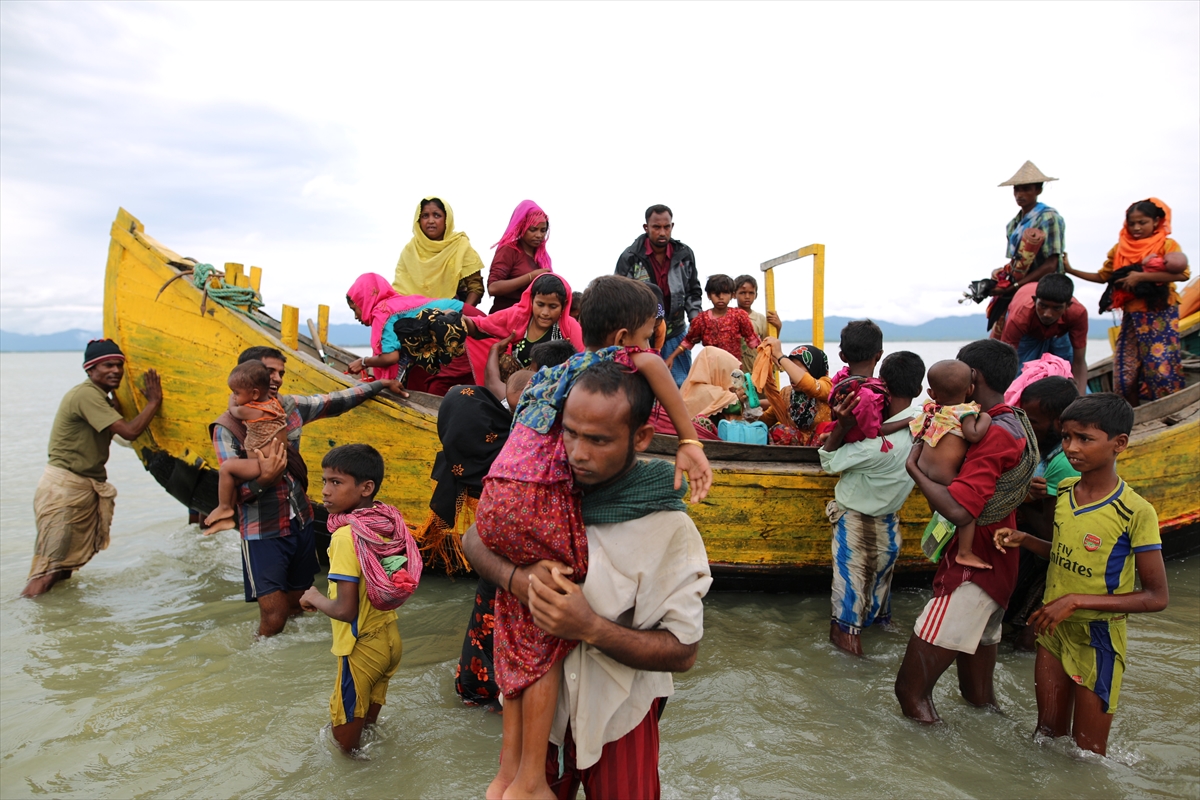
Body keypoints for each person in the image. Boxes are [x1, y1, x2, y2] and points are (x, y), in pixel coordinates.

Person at [473, 276, 710, 800]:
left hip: (619, 713)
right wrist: (517, 580)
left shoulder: (667, 525)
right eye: (570, 433)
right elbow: (475, 540)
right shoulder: (546, 501)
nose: (578, 453)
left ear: (641, 438)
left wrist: (589, 627)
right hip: (542, 725)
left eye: (599, 440)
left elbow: (684, 652)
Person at [994, 393, 1169, 757]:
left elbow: (1156, 597)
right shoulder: (1066, 491)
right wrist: (1025, 539)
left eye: (1085, 439)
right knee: (1045, 737)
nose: (1072, 448)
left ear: (1119, 443)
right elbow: (1064, 552)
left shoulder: (1135, 511)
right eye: (1066, 437)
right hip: (1053, 630)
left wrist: (1075, 601)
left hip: (1098, 638)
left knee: (1088, 754)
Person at [210, 346, 404, 637]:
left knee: (298, 606)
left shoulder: (288, 407)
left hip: (300, 521)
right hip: (262, 530)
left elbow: (336, 400)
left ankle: (290, 661)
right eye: (269, 371)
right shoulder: (228, 427)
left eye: (280, 373)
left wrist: (380, 384)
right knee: (274, 617)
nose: (276, 379)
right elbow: (233, 492)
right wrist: (266, 479)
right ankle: (258, 657)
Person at [894, 339, 1037, 723]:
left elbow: (961, 510)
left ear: (973, 377)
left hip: (972, 574)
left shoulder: (993, 432)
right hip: (1000, 564)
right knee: (979, 698)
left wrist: (914, 470)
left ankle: (933, 760)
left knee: (910, 692)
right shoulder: (1012, 418)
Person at [299, 444, 421, 754]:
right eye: (324, 481)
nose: (325, 491)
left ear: (366, 488)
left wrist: (314, 596)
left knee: (345, 750)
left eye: (336, 482)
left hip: (361, 649)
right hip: (390, 642)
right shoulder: (387, 523)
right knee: (368, 731)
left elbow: (345, 610)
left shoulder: (345, 536)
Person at [22, 339, 163, 597]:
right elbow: (130, 432)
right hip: (64, 489)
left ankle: (57, 616)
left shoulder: (100, 398)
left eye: (119, 365)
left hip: (76, 487)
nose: (116, 370)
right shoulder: (86, 395)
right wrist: (153, 402)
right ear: (90, 369)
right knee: (48, 569)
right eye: (108, 365)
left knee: (64, 568)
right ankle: (29, 614)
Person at [818, 350, 924, 655]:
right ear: (919, 389)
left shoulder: (875, 447)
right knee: (878, 605)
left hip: (855, 525)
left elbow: (828, 461)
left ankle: (853, 672)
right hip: (889, 525)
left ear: (883, 386)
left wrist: (842, 426)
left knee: (847, 618)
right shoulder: (925, 422)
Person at [1066, 198, 1190, 406]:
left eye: (1142, 222)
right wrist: (1071, 270)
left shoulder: (1166, 245)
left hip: (1160, 314)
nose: (1136, 227)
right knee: (1125, 372)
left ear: (1156, 221)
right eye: (1132, 223)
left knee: (1161, 369)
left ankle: (1171, 409)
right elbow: (1104, 276)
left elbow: (1182, 274)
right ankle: (1132, 413)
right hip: (1132, 316)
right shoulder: (1120, 249)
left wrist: (1140, 277)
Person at [1005, 376, 1080, 651]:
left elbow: (1051, 533)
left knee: (1029, 640)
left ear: (1059, 423)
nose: (1025, 427)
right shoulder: (1046, 450)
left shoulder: (1063, 464)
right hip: (1041, 552)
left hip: (1058, 560)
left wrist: (1020, 498)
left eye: (1033, 421)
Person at [393, 196, 488, 395]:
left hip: (453, 323)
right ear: (418, 220)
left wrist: (459, 318)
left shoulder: (460, 246)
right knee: (417, 374)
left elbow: (476, 288)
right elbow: (399, 294)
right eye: (425, 216)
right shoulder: (410, 251)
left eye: (436, 215)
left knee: (451, 375)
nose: (430, 220)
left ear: (447, 219)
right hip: (418, 324)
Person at [908, 360, 994, 570]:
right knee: (966, 513)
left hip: (924, 468)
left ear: (931, 392)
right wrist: (986, 417)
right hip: (944, 475)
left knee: (938, 507)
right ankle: (964, 553)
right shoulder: (964, 412)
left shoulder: (932, 410)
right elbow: (974, 435)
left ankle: (942, 540)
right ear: (970, 389)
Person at [615, 204, 702, 386]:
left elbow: (693, 291)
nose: (662, 232)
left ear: (672, 226)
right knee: (641, 386)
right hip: (642, 334)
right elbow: (620, 297)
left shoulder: (684, 254)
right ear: (646, 227)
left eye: (666, 227)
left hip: (676, 332)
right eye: (656, 227)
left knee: (681, 385)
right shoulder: (630, 256)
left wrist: (697, 323)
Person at [202, 360, 288, 533]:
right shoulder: (273, 403)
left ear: (255, 394)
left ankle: (224, 507)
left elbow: (233, 410)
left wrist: (232, 401)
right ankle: (227, 519)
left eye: (236, 392)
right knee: (233, 480)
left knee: (226, 469)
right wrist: (239, 394)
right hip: (272, 462)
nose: (234, 396)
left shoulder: (250, 411)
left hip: (263, 464)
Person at [989, 161, 1067, 339]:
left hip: (1047, 289)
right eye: (1017, 190)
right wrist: (1000, 275)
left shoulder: (1049, 218)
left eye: (1026, 189)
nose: (1020, 195)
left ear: (1038, 190)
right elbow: (1015, 262)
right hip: (1019, 286)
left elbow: (1051, 264)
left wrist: (1014, 287)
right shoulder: (1013, 225)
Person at [344, 272, 464, 382]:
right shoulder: (394, 304)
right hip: (461, 316)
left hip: (458, 323)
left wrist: (364, 362)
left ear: (364, 301)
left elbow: (390, 357)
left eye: (354, 309)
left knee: (437, 385)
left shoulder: (383, 312)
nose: (355, 316)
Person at [467, 274, 584, 383]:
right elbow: (480, 324)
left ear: (564, 305)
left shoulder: (570, 327)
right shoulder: (517, 317)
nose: (545, 312)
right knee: (504, 361)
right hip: (514, 388)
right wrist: (460, 319)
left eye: (553, 307)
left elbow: (585, 362)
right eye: (540, 304)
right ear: (532, 299)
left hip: (554, 389)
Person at [1000, 273, 1090, 395]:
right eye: (1042, 306)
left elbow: (1079, 361)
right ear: (1034, 300)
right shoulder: (1020, 317)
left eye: (1056, 308)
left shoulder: (1077, 314)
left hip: (1060, 331)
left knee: (1066, 371)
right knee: (1020, 373)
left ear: (1068, 306)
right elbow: (1005, 362)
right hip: (1028, 333)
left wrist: (1080, 399)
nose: (1047, 314)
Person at [665, 274, 761, 372]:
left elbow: (752, 339)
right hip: (710, 370)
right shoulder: (701, 320)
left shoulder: (739, 316)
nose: (721, 297)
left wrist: (766, 353)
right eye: (716, 294)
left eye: (725, 293)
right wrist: (671, 357)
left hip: (733, 370)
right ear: (709, 295)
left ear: (732, 295)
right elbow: (688, 341)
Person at [758, 339, 833, 446]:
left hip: (822, 450)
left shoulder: (828, 387)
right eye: (790, 371)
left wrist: (780, 356)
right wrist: (748, 406)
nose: (792, 376)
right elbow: (765, 421)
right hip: (792, 452)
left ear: (815, 369)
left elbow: (811, 386)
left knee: (824, 428)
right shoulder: (786, 393)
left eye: (799, 372)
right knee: (780, 430)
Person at [828, 320, 890, 444]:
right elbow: (874, 433)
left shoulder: (840, 379)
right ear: (879, 355)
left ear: (842, 356)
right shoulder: (870, 395)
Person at [488, 200, 553, 313]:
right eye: (533, 230)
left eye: (543, 230)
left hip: (532, 317)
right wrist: (531, 276)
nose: (539, 235)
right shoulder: (509, 250)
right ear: (522, 227)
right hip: (506, 316)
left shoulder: (542, 257)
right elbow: (493, 288)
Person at [733, 275, 778, 375]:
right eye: (742, 293)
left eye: (751, 293)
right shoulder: (729, 318)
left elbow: (769, 344)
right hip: (735, 372)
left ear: (756, 295)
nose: (747, 296)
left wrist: (778, 326)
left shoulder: (760, 319)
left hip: (755, 370)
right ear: (734, 294)